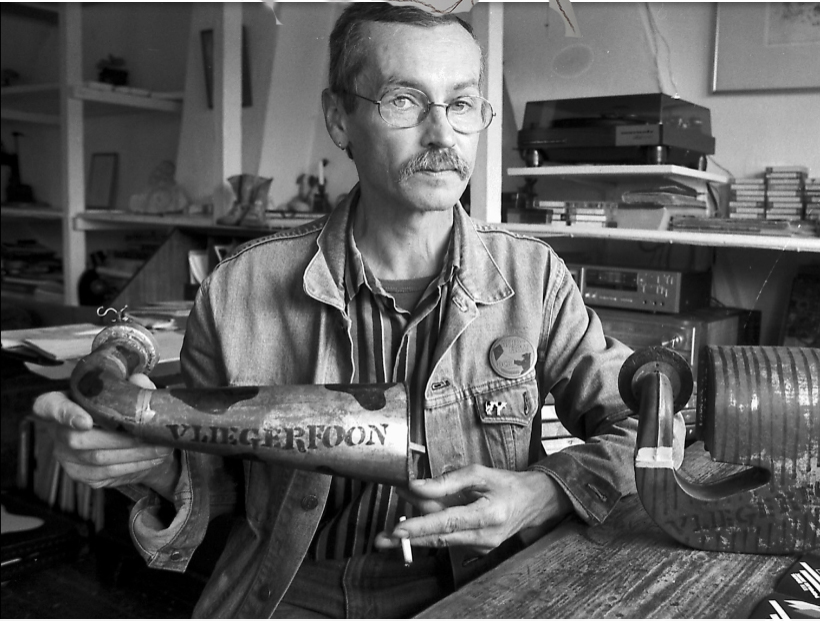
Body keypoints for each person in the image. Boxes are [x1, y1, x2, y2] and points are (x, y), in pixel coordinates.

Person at [33, 5, 648, 618]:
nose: (442, 135)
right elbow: (215, 484)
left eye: (461, 104)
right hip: (294, 589)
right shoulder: (238, 288)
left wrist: (541, 493)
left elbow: (648, 424)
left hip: (482, 587)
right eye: (404, 101)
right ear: (339, 117)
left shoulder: (535, 279)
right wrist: (145, 465)